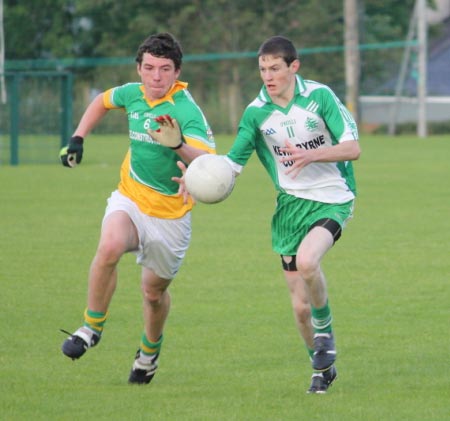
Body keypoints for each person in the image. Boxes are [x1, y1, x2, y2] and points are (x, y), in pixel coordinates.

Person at [158, 35, 360, 394]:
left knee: (309, 261)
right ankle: (322, 367)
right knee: (299, 308)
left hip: (332, 198)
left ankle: (325, 332)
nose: (268, 76)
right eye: (263, 69)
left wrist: (312, 154)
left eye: (275, 68)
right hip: (289, 209)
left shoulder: (319, 97)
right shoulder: (256, 113)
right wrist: (189, 165)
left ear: (293, 67)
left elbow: (353, 148)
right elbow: (228, 167)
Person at [60, 32, 215, 385]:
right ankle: (91, 326)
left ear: (177, 73)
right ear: (139, 68)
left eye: (164, 69)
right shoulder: (133, 93)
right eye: (149, 68)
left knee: (153, 293)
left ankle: (149, 353)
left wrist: (178, 146)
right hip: (131, 196)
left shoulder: (185, 110)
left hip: (170, 217)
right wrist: (78, 137)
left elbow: (208, 161)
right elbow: (101, 100)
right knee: (109, 246)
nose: (155, 77)